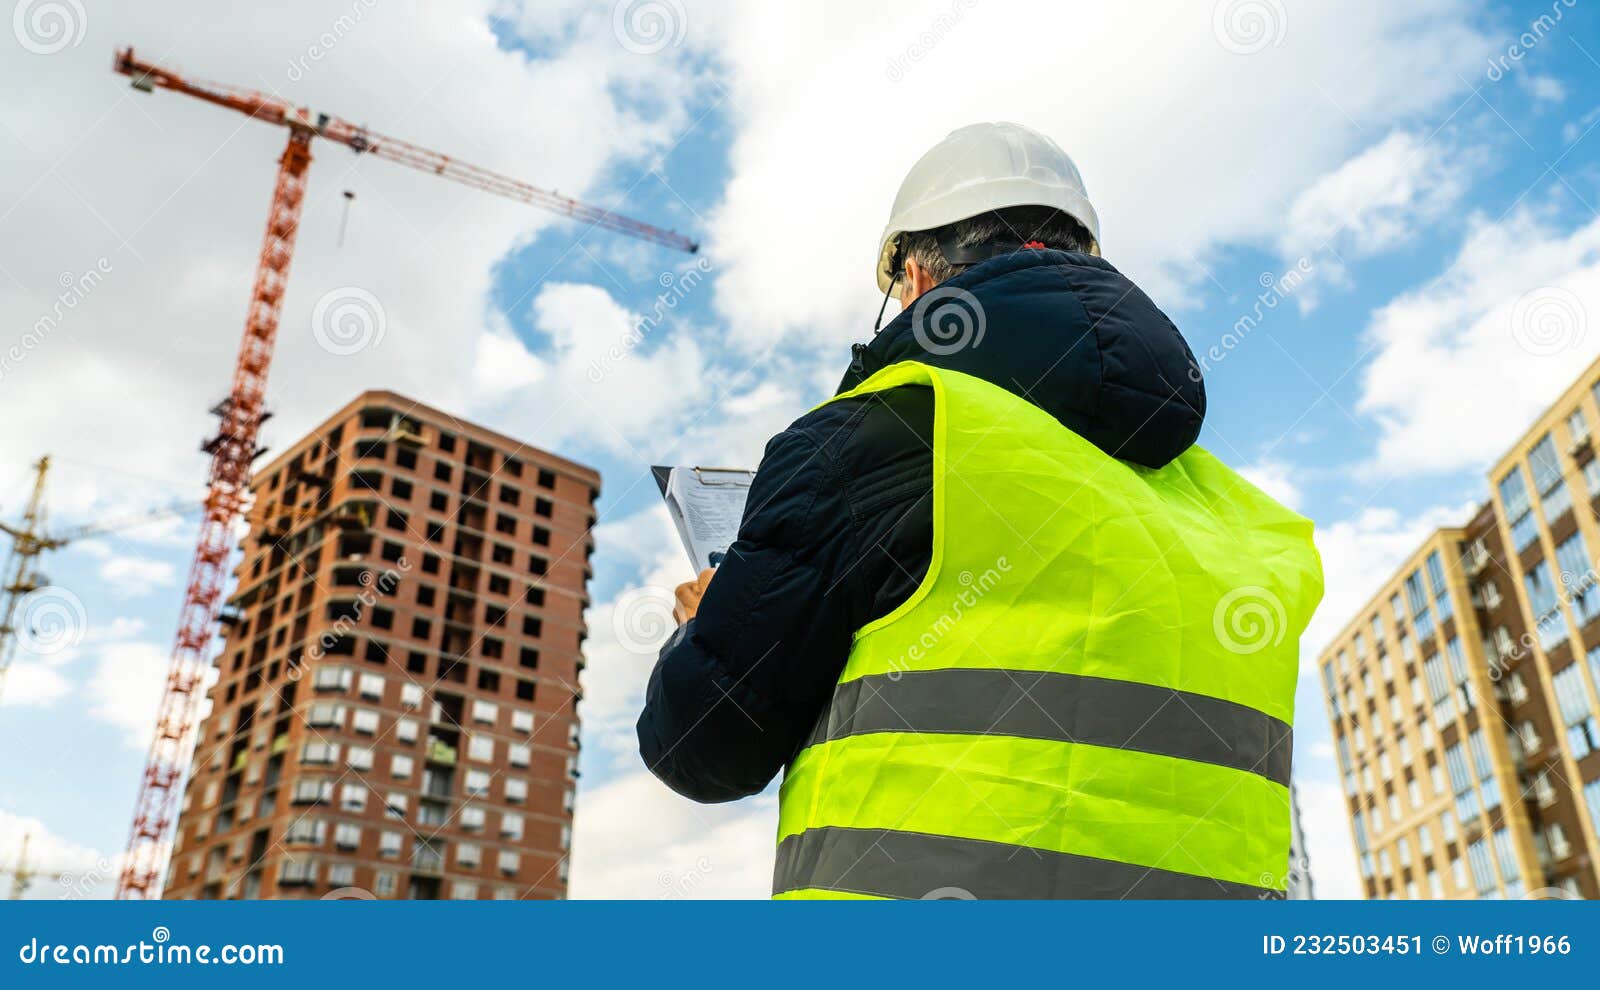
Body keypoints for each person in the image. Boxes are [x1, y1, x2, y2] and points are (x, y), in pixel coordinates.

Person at [637, 122, 1323, 899]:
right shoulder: (1234, 510)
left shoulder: (870, 440)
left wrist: (704, 629)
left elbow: (704, 747)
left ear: (922, 281)